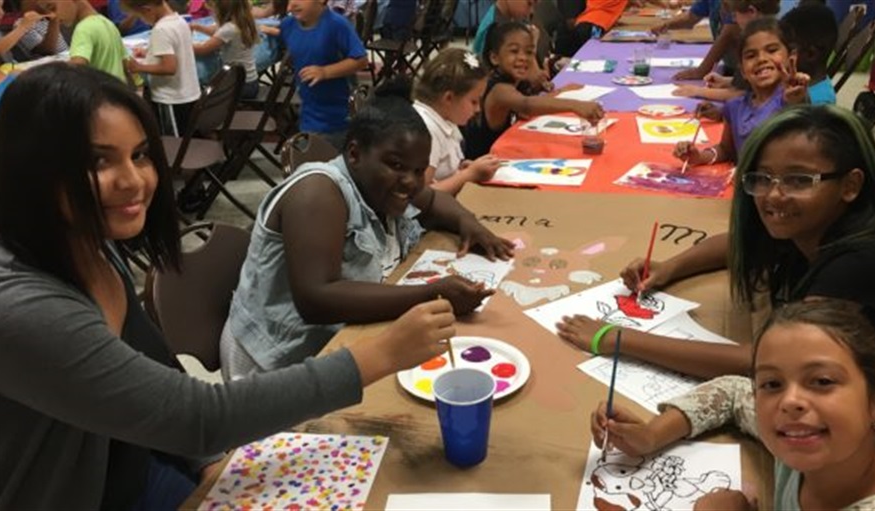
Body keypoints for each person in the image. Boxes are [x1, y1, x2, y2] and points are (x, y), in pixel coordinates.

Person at [0, 63, 456, 510]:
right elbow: (196, 416)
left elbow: (161, 375)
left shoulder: (90, 241)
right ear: (31, 167)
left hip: (141, 467)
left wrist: (203, 463)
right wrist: (379, 356)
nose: (133, 181)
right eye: (99, 161)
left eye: (139, 155)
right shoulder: (20, 306)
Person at [559, 104, 875, 465]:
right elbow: (738, 243)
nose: (774, 195)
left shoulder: (858, 264)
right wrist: (669, 267)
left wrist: (618, 340)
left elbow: (761, 363)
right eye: (762, 179)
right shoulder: (813, 226)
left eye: (799, 179)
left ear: (850, 185)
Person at [220, 82, 515, 380]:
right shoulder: (318, 193)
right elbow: (316, 299)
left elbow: (434, 200)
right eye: (396, 165)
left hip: (336, 339)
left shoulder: (385, 184)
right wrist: (432, 294)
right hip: (273, 364)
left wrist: (472, 225)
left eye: (418, 170)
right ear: (355, 153)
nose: (410, 182)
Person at [591, 300, 875, 510]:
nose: (790, 400)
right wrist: (652, 434)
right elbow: (734, 391)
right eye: (771, 383)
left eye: (823, 381)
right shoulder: (809, 438)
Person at [672, 17, 809, 167]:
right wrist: (699, 156)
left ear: (791, 58)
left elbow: (802, 129)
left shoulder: (791, 100)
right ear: (742, 70)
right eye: (751, 56)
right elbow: (727, 150)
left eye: (772, 50)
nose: (761, 59)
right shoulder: (735, 107)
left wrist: (797, 101)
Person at [463, 22, 604, 160]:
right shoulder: (499, 90)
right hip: (481, 167)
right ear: (494, 57)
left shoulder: (517, 81)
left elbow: (535, 91)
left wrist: (556, 91)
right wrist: (575, 105)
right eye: (514, 51)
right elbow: (527, 105)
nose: (523, 57)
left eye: (529, 52)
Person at [260, 0, 367, 148]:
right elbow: (283, 39)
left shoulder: (337, 25)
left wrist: (325, 72)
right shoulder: (288, 25)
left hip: (338, 116)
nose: (291, 6)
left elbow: (360, 60)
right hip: (309, 113)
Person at [412, 48, 501, 195]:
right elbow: (420, 195)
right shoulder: (428, 130)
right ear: (449, 98)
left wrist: (460, 170)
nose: (478, 109)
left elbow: (441, 173)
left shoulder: (445, 119)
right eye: (473, 101)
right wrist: (468, 175)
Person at [671, 0, 779, 101]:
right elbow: (751, 83)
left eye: (734, 15)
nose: (735, 20)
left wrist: (698, 91)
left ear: (752, 12)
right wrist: (727, 81)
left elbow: (743, 94)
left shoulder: (759, 46)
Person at [122, 0, 202, 137]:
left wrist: (139, 66)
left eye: (140, 16)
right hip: (188, 93)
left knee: (174, 142)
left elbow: (169, 67)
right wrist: (149, 52)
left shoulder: (161, 29)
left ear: (147, 9)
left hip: (171, 98)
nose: (143, 20)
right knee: (188, 135)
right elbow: (175, 50)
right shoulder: (179, 21)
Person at [191, 0, 260, 99]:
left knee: (204, 95)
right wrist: (198, 27)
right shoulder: (245, 23)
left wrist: (182, 45)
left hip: (239, 86)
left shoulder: (228, 29)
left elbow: (203, 49)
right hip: (251, 82)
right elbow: (218, 32)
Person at [779, 1, 836, 105]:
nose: (780, 55)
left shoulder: (820, 104)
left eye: (788, 49)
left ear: (810, 54)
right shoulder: (807, 84)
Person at [66, 0, 130, 82]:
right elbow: (128, 63)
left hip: (100, 91)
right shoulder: (107, 23)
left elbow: (77, 65)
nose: (55, 15)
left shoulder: (83, 29)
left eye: (53, 7)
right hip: (117, 89)